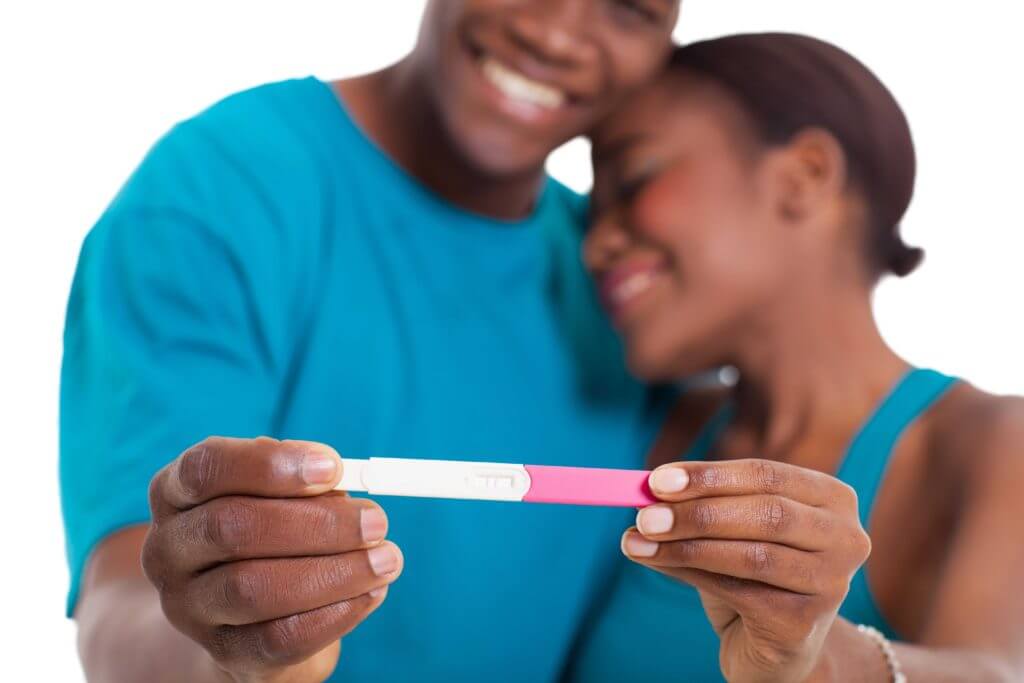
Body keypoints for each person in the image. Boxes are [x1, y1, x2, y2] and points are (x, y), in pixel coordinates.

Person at [60, 2, 682, 681]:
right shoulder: (215, 194)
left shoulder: (635, 287)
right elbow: (123, 596)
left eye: (630, 7)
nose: (556, 34)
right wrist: (231, 656)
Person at [566, 33, 1024, 682]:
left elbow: (995, 670)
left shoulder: (988, 442)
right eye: (590, 209)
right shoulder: (660, 431)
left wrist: (812, 653)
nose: (595, 245)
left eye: (633, 177)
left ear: (804, 175)